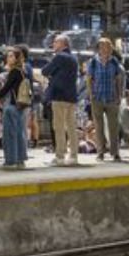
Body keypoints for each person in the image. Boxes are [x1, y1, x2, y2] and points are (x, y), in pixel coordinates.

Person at [86, 38, 125, 162]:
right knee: (99, 127)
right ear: (99, 48)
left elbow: (118, 79)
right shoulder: (93, 62)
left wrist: (119, 95)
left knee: (114, 127)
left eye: (108, 47)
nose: (106, 49)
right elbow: (89, 79)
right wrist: (91, 95)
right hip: (97, 98)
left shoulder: (114, 62)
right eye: (103, 47)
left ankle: (115, 152)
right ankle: (100, 152)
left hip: (111, 98)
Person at [46, 35, 79, 166]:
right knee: (71, 126)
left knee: (58, 126)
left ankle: (60, 156)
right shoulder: (74, 58)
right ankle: (74, 156)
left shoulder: (59, 57)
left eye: (55, 42)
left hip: (59, 96)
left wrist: (52, 74)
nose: (53, 44)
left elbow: (45, 71)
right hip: (71, 96)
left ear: (62, 43)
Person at [0, 45, 30, 170]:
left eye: (11, 56)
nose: (8, 58)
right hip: (21, 106)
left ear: (16, 58)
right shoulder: (23, 71)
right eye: (8, 56)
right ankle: (20, 160)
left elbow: (6, 88)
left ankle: (10, 161)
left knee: (9, 135)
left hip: (12, 106)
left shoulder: (14, 72)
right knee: (19, 133)